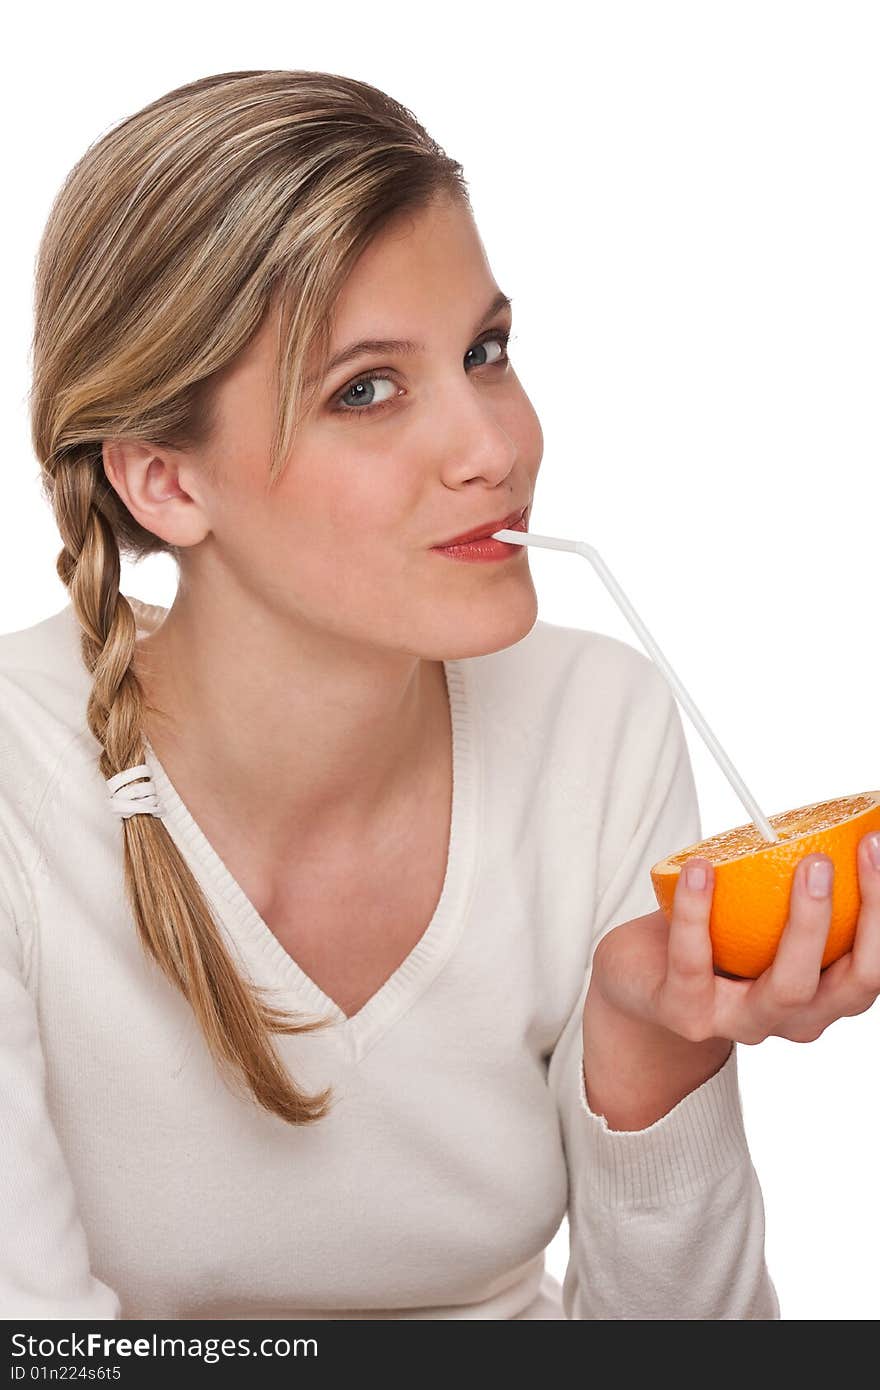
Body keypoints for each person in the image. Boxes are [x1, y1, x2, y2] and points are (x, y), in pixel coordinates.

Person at [3, 69, 878, 1323]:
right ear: (163, 482)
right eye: (367, 387)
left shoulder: (599, 724)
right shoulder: (15, 790)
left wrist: (653, 1044)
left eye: (485, 352)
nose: (495, 448)